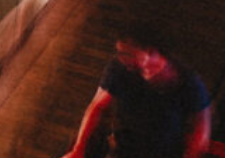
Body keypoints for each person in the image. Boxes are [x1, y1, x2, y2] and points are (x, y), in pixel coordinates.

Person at [63, 26, 211, 158]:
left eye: (128, 54)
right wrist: (79, 149)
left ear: (151, 51)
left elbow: (201, 129)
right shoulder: (119, 69)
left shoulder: (185, 78)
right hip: (122, 149)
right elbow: (97, 106)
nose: (122, 59)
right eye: (120, 53)